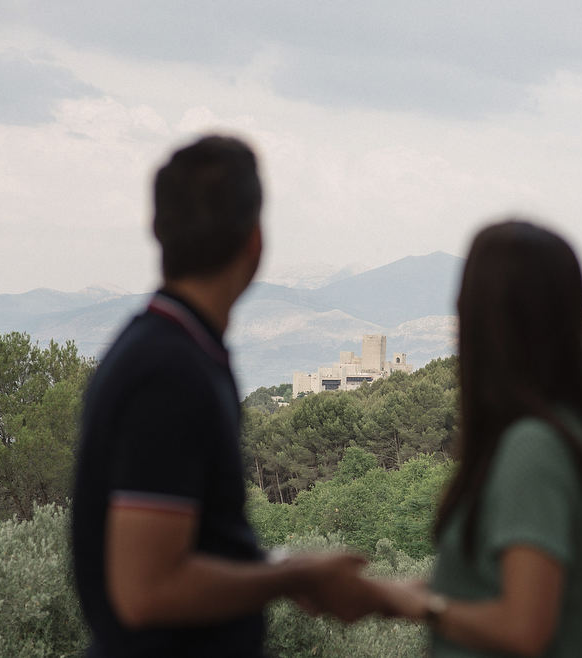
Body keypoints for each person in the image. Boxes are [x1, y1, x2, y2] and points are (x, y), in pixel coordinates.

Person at [71, 135, 379, 657]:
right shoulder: (171, 370)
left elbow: (194, 547)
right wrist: (290, 575)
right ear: (255, 242)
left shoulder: (170, 349)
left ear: (158, 231)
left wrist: (281, 566)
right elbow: (146, 591)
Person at [377, 220, 582, 656]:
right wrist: (385, 595)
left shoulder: (534, 448)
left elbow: (523, 628)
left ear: (483, 321)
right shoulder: (562, 433)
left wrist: (425, 608)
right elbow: (497, 591)